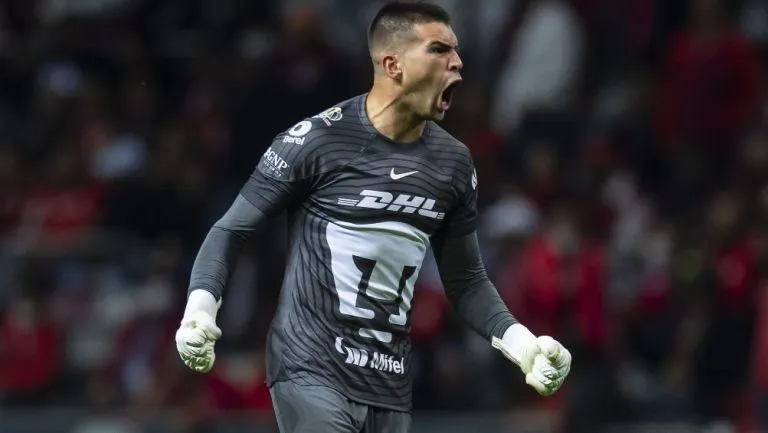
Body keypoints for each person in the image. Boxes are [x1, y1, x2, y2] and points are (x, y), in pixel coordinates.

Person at [174, 2, 572, 432]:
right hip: (311, 369)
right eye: (439, 50)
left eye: (455, 51)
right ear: (392, 64)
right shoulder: (317, 141)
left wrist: (523, 345)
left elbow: (467, 281)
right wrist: (199, 310)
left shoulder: (452, 163)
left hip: (389, 383)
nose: (457, 63)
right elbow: (231, 230)